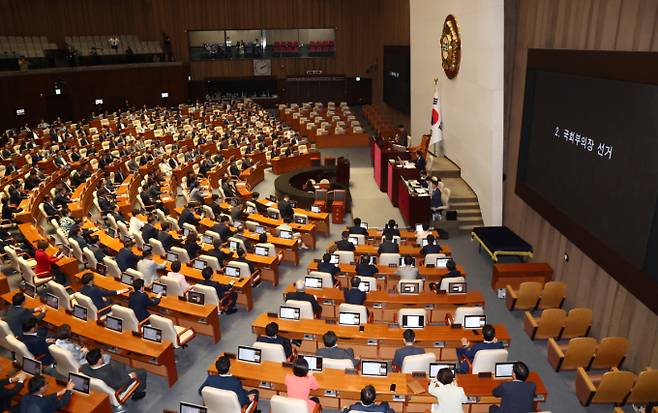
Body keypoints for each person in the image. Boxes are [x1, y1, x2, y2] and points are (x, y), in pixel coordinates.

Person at [81, 348, 148, 401]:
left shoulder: (84, 368)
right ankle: (137, 393)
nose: (103, 356)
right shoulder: (106, 373)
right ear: (99, 360)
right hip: (119, 385)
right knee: (142, 372)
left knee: (122, 367)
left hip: (111, 379)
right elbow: (117, 385)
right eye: (101, 356)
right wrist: (130, 376)